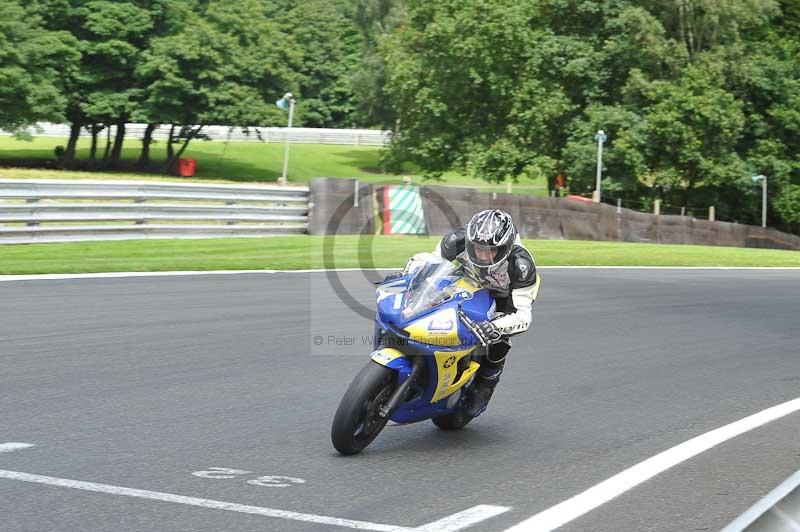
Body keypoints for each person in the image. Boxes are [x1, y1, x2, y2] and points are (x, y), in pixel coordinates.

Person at [401, 209, 540, 417]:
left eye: (490, 250)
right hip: (468, 280)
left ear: (506, 248)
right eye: (477, 248)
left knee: (498, 341)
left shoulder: (521, 265)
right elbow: (431, 261)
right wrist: (408, 274)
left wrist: (493, 327)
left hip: (505, 297)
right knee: (429, 300)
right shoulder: (457, 239)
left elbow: (523, 316)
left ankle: (487, 379)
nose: (482, 254)